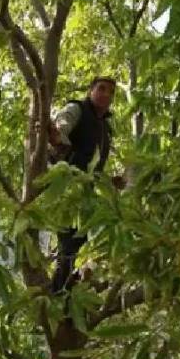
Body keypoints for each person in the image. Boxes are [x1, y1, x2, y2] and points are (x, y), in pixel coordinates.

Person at [46, 76, 124, 293]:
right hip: (65, 191)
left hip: (86, 196)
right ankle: (57, 295)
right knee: (68, 247)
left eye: (111, 92)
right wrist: (57, 136)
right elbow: (62, 125)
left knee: (81, 245)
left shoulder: (104, 128)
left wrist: (109, 181)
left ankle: (68, 293)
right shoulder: (76, 109)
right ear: (91, 91)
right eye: (101, 89)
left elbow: (91, 165)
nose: (106, 95)